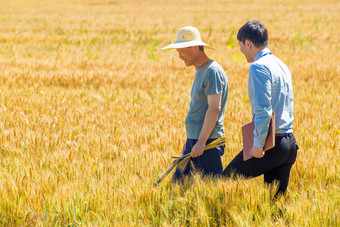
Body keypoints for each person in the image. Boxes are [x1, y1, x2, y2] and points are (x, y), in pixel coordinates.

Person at [223, 20, 299, 198]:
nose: (240, 49)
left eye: (240, 45)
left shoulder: (259, 67)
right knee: (276, 203)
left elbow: (264, 110)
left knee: (224, 180)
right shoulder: (281, 65)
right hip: (289, 143)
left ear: (248, 43)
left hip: (271, 144)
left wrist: (258, 145)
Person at [161, 26, 228, 182]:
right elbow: (200, 108)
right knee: (178, 186)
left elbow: (214, 108)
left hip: (207, 143)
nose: (179, 56)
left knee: (211, 189)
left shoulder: (212, 71)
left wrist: (201, 142)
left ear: (193, 47)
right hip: (196, 141)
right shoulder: (201, 70)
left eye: (180, 51)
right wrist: (190, 141)